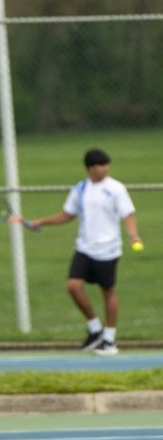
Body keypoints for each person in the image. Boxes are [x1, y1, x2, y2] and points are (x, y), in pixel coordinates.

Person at [13, 148, 141, 355]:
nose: (105, 169)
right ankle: (95, 329)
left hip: (108, 249)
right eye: (101, 165)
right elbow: (67, 214)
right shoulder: (80, 189)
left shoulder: (116, 188)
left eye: (106, 165)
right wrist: (41, 221)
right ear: (90, 168)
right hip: (84, 247)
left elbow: (128, 214)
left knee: (107, 291)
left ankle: (109, 339)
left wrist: (133, 235)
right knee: (73, 286)